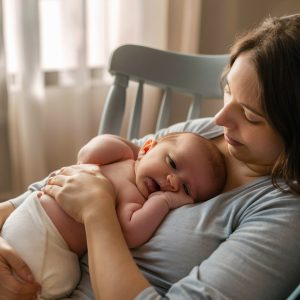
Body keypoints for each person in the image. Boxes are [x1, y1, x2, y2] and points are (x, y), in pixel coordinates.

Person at [0, 14, 300, 300]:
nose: (220, 118)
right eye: (227, 91)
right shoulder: (206, 136)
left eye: (249, 115)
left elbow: (91, 193)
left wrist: (97, 212)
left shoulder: (285, 215)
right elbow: (75, 178)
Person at [0, 132, 225, 299]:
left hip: (45, 240)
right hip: (36, 221)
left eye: (186, 189)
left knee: (44, 283)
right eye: (172, 164)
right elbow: (86, 155)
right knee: (55, 281)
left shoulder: (138, 200)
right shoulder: (123, 160)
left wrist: (163, 202)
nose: (172, 181)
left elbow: (129, 233)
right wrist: (128, 147)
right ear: (147, 148)